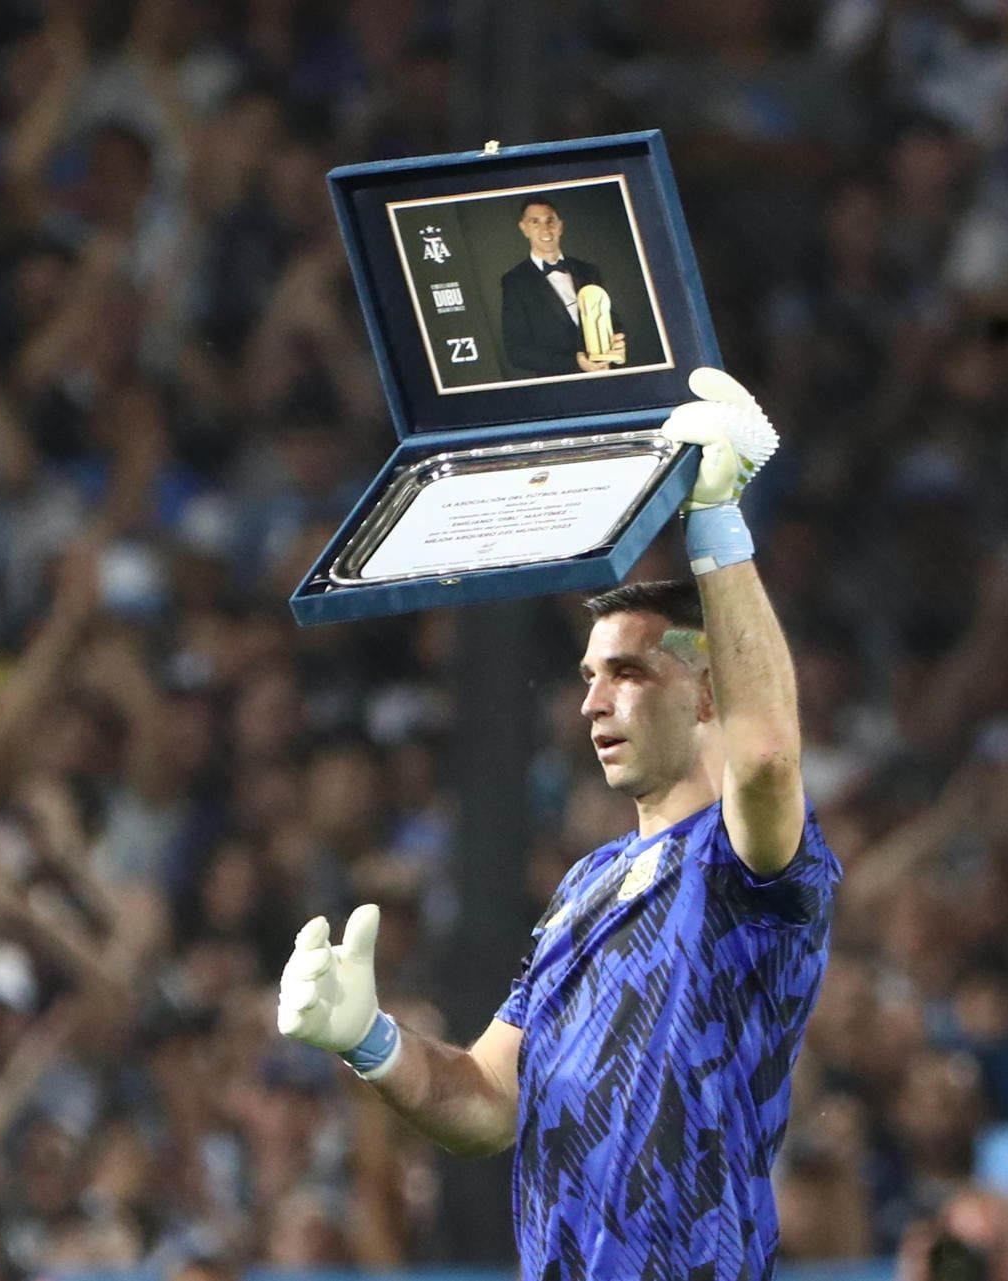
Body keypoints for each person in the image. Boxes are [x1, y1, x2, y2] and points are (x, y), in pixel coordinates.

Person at [275, 369, 840, 1279]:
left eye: (625, 672)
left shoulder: (747, 863)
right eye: (585, 676)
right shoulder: (587, 886)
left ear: (704, 689)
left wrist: (717, 518)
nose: (591, 703)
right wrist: (370, 1039)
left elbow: (767, 758)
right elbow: (488, 1103)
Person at [499, 196, 629, 376]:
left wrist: (616, 343)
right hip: (560, 386)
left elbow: (611, 320)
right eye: (535, 222)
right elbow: (517, 352)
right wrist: (574, 362)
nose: (546, 229)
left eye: (550, 220)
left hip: (608, 374)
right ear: (524, 228)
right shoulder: (515, 281)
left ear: (560, 226)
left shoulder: (588, 270)